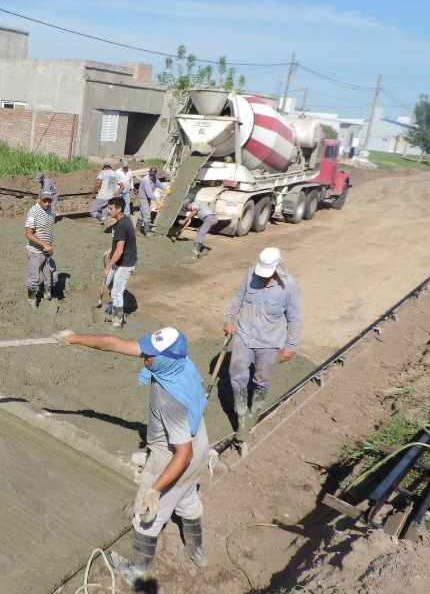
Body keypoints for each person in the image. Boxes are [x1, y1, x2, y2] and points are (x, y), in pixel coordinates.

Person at [52, 327, 211, 583]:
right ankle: (196, 550)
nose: (144, 357)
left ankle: (136, 571)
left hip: (171, 456)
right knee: (187, 500)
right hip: (201, 443)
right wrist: (74, 339)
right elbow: (113, 343)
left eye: (150, 355)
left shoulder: (172, 399)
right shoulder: (179, 362)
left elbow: (183, 453)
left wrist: (155, 490)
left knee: (147, 514)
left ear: (164, 358)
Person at [224, 247, 302, 452]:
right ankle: (241, 417)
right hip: (244, 334)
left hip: (269, 341)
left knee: (261, 379)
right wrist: (230, 319)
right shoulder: (251, 273)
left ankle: (254, 412)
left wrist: (290, 346)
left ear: (278, 267)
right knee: (236, 372)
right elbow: (238, 297)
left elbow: (295, 318)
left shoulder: (289, 286)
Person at [102, 197, 137, 328]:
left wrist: (108, 267)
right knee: (110, 284)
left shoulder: (122, 225)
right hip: (120, 260)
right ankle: (115, 306)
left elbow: (120, 250)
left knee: (117, 292)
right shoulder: (124, 220)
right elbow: (123, 242)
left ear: (119, 209)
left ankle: (117, 320)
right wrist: (111, 248)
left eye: (111, 209)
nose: (108, 211)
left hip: (125, 263)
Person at [24, 191, 57, 308]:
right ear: (39, 199)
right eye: (45, 201)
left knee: (52, 276)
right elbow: (28, 234)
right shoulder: (33, 211)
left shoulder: (50, 211)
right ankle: (32, 299)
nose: (47, 203)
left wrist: (48, 246)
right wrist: (44, 244)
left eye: (49, 201)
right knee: (34, 277)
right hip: (35, 251)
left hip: (47, 250)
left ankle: (48, 296)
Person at [137, 167, 167, 236]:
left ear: (155, 174)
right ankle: (147, 231)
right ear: (149, 172)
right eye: (151, 174)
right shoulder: (146, 180)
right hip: (143, 198)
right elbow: (149, 193)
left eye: (153, 174)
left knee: (142, 214)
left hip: (148, 198)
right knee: (147, 214)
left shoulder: (154, 178)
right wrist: (157, 201)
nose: (151, 175)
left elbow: (159, 184)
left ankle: (137, 230)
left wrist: (166, 189)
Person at [89, 164, 119, 228]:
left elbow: (98, 184)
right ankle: (104, 226)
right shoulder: (114, 174)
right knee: (104, 211)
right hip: (110, 197)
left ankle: (102, 219)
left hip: (102, 196)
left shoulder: (103, 172)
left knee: (92, 211)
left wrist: (93, 194)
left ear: (104, 168)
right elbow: (111, 187)